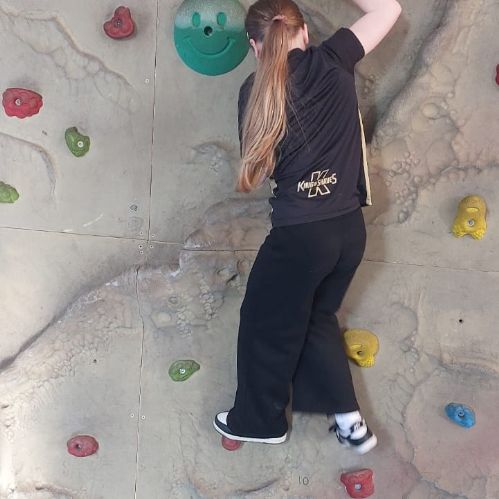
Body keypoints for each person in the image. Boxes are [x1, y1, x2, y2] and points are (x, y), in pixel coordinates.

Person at [213, 0, 402, 454]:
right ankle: (350, 422)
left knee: (263, 325)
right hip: (348, 232)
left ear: (255, 47)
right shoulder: (335, 57)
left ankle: (258, 422)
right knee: (314, 316)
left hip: (301, 238)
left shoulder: (252, 91)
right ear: (304, 33)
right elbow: (388, 9)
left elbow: (259, 170)